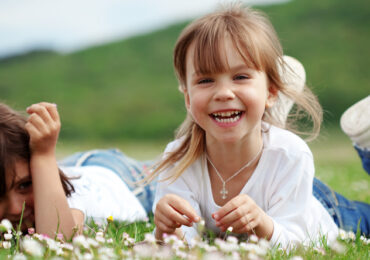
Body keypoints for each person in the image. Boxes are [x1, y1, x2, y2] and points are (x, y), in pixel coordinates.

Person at [150, 5, 370, 249]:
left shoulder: (291, 154)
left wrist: (264, 224)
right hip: (280, 182)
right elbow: (184, 242)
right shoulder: (178, 158)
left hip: (324, 210)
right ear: (188, 99)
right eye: (205, 80)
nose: (223, 93)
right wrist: (166, 229)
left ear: (272, 92)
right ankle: (259, 112)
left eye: (240, 77)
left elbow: (297, 241)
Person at [0, 102, 154, 239]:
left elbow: (58, 242)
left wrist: (43, 155)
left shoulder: (66, 197)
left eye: (24, 185)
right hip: (74, 166)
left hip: (121, 179)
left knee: (171, 170)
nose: (15, 208)